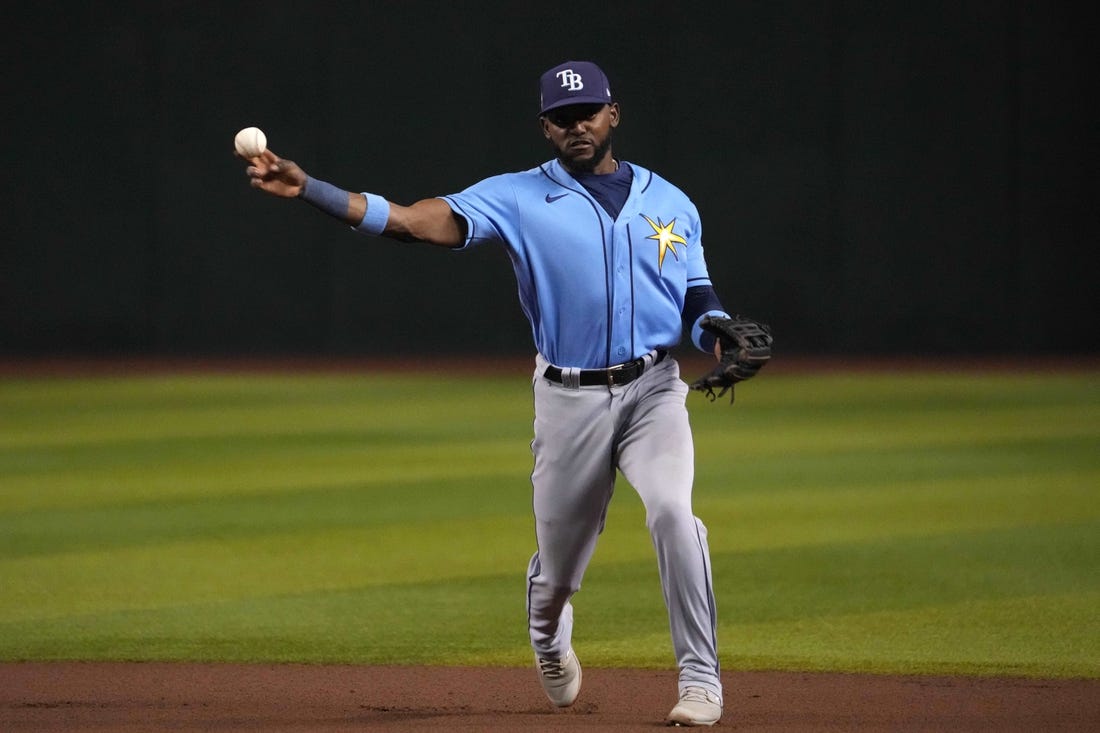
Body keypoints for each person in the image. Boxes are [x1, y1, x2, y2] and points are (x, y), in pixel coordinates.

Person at [241, 60, 766, 727]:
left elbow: (697, 297)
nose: (578, 126)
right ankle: (547, 630)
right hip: (569, 400)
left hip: (654, 390)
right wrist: (311, 188)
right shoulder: (516, 196)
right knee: (559, 573)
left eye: (589, 112)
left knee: (672, 511)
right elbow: (410, 221)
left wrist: (720, 333)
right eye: (562, 117)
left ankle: (699, 678)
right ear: (546, 127)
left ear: (614, 114)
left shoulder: (672, 201)